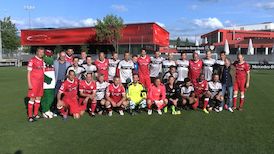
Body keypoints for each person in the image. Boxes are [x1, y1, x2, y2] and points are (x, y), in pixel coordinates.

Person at [27, 47, 45, 122]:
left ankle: (35, 114)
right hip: (34, 83)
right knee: (32, 99)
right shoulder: (32, 60)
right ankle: (30, 116)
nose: (41, 53)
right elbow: (28, 73)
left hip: (40, 83)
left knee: (38, 98)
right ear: (37, 52)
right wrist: (29, 83)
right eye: (40, 52)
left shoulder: (43, 61)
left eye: (42, 52)